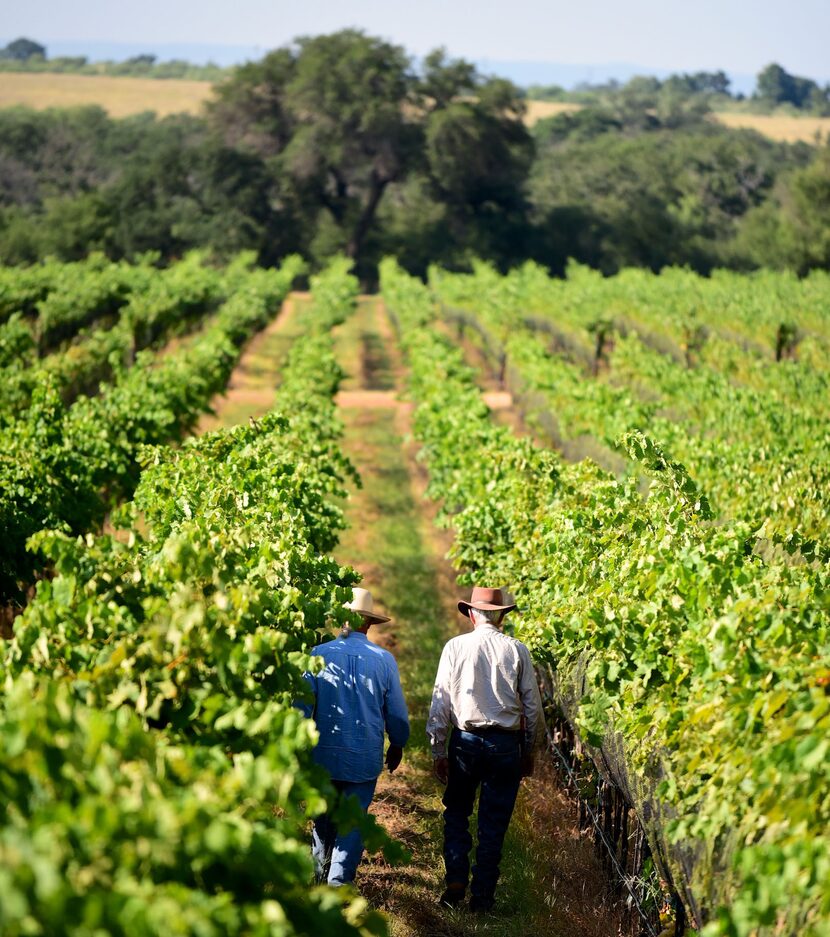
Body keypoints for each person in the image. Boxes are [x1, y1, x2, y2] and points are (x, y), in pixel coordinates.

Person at [426, 586, 543, 913]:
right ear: (503, 615)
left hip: (465, 741)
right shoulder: (518, 650)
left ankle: (456, 879)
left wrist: (438, 750)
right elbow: (533, 708)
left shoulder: (455, 647)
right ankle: (482, 897)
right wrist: (529, 751)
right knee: (494, 822)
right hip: (505, 745)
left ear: (472, 614)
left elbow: (440, 703)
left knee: (458, 811)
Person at [299, 587, 410, 887]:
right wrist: (397, 742)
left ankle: (316, 881)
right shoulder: (384, 660)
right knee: (352, 822)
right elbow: (397, 714)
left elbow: (301, 708)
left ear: (339, 620)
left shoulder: (317, 654)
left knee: (322, 820)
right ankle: (337, 885)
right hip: (363, 756)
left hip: (323, 755)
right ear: (370, 623)